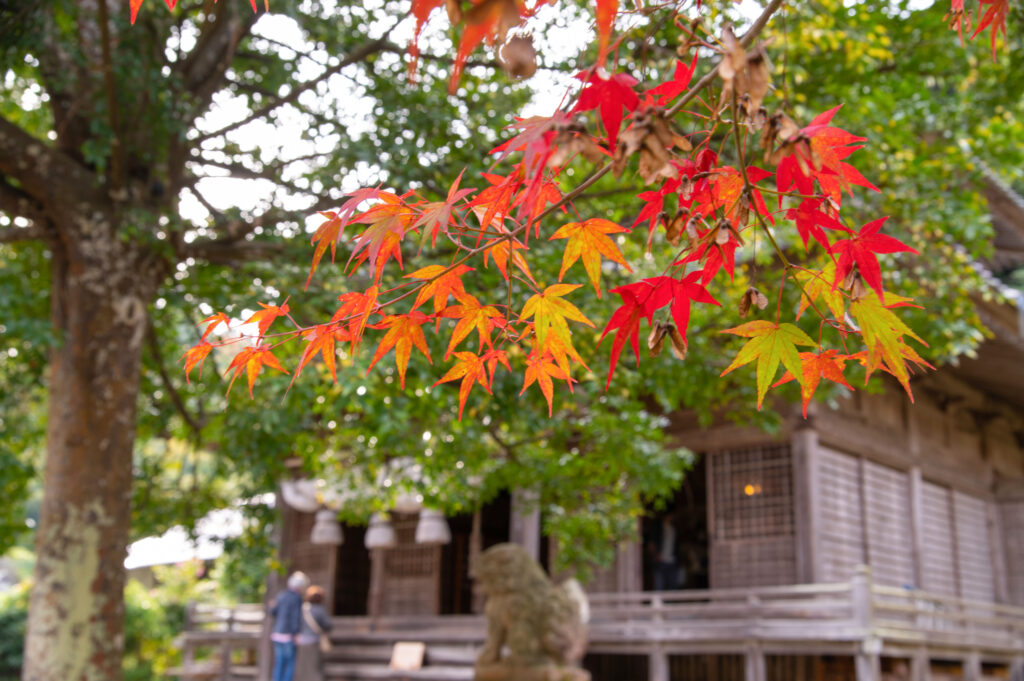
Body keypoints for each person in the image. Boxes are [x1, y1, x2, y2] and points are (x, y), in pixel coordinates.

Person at [269, 571, 309, 681]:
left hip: (277, 633)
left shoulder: (281, 596)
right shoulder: (297, 598)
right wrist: (296, 633)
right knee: (290, 664)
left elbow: (272, 611)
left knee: (279, 663)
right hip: (289, 635)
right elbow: (295, 617)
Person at [295, 585, 332, 681]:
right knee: (314, 665)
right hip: (314, 641)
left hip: (302, 641)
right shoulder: (320, 610)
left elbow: (297, 623)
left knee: (303, 666)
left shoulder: (303, 609)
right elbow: (328, 625)